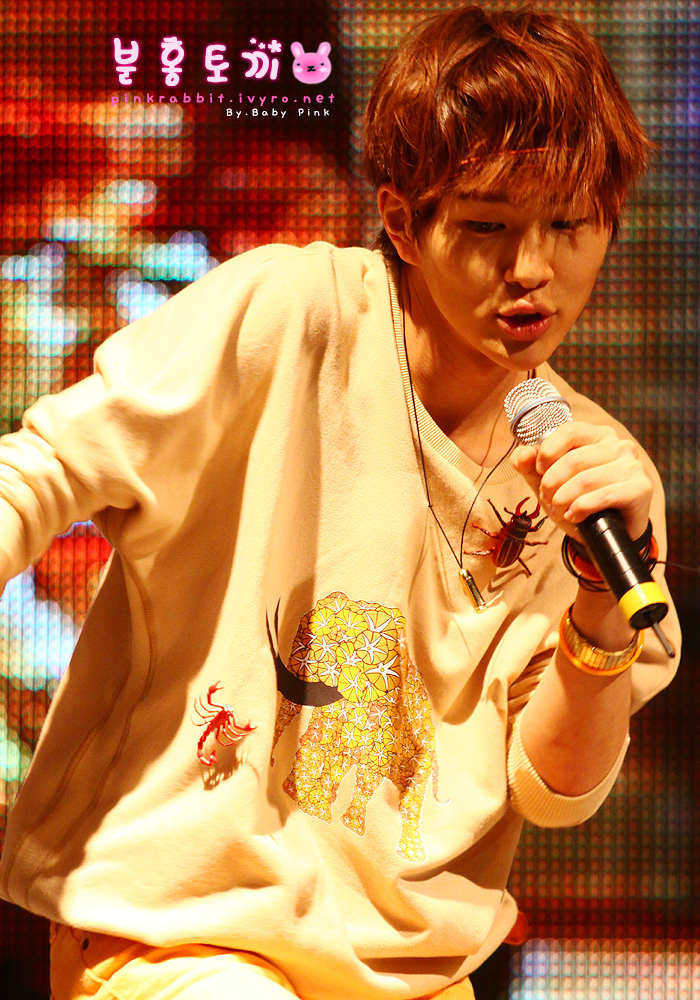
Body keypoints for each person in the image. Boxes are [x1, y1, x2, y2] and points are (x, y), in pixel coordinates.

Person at [0, 6, 681, 1000]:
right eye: (487, 225)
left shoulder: (596, 475)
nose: (531, 269)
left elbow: (557, 792)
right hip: (181, 930)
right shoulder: (291, 311)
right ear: (403, 221)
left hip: (412, 965)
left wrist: (597, 609)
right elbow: (42, 470)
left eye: (569, 225)